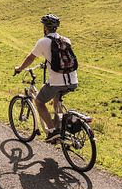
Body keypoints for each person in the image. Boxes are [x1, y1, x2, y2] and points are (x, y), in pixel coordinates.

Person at [14, 14, 78, 142]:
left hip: (56, 82)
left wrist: (19, 68)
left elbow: (31, 58)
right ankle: (59, 129)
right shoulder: (66, 40)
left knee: (39, 102)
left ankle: (52, 131)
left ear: (45, 28)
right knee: (56, 101)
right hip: (73, 80)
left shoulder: (43, 41)